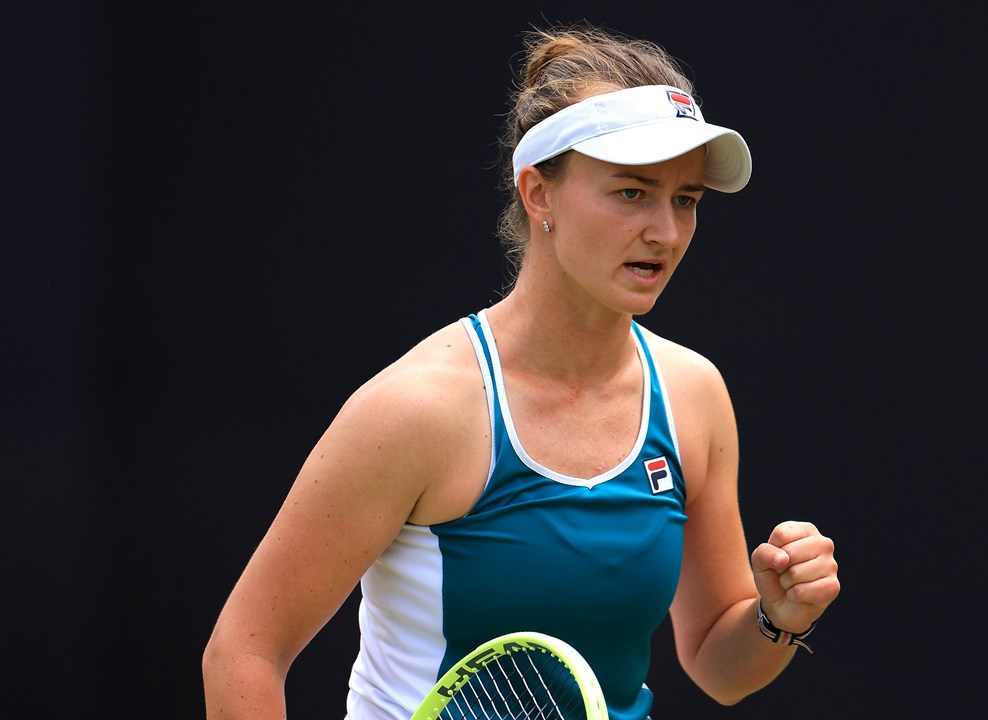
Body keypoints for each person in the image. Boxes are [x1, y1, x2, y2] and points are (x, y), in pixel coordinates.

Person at [202, 23, 840, 720]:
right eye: (632, 192)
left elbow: (720, 667)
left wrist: (778, 618)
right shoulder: (419, 410)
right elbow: (244, 651)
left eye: (685, 199)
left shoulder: (693, 395)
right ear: (538, 195)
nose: (666, 230)